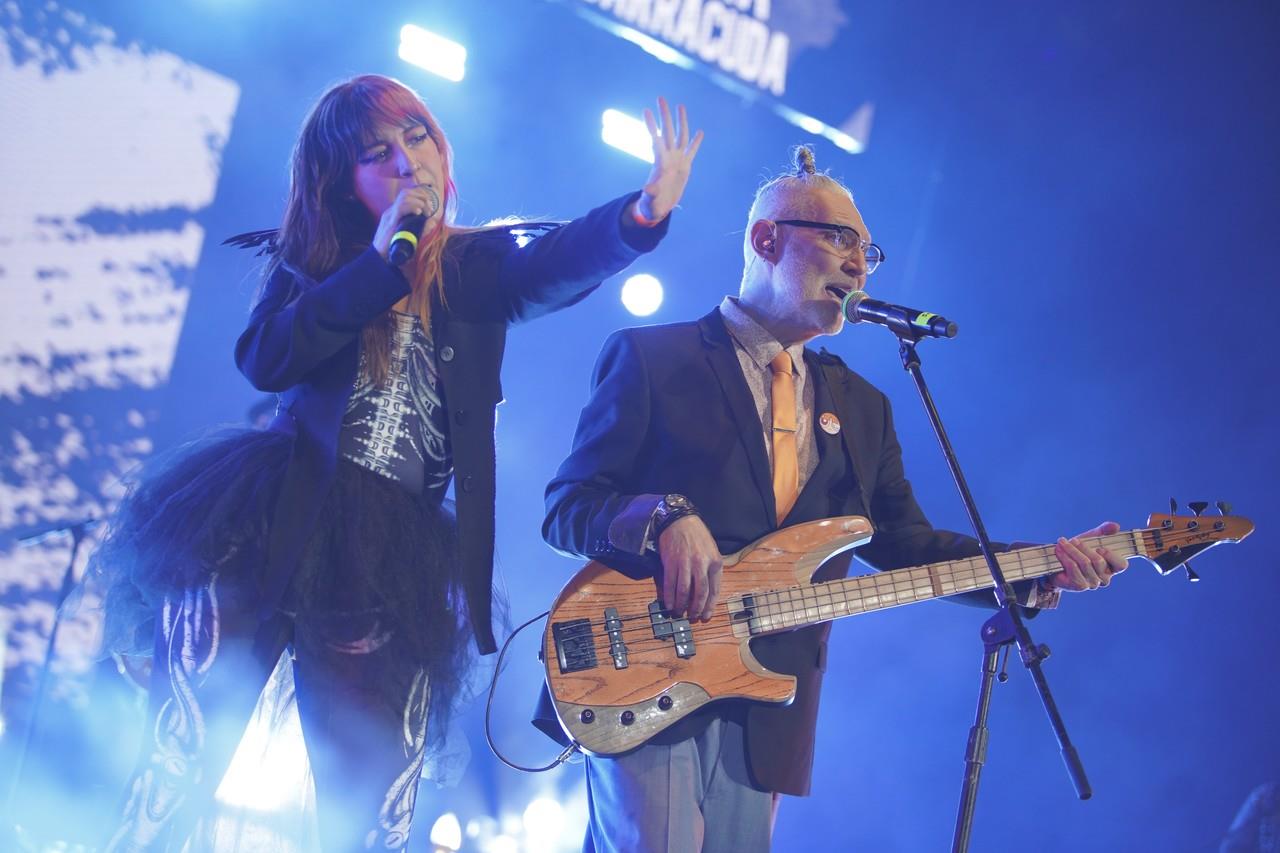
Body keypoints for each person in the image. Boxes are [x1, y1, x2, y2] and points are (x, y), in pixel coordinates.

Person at [91, 74, 702, 851]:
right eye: (378, 153)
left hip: (389, 552)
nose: (407, 160)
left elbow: (554, 263)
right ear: (342, 182)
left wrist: (643, 212)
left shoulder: (478, 266)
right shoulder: (318, 261)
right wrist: (378, 264)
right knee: (181, 753)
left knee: (372, 792)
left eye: (417, 136)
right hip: (269, 523)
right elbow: (266, 357)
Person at [538, 145, 1126, 852]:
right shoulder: (654, 357)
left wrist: (1041, 565)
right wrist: (663, 516)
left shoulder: (863, 405)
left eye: (867, 251)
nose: (859, 262)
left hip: (770, 696)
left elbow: (907, 543)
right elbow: (570, 504)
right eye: (840, 238)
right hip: (644, 663)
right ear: (766, 239)